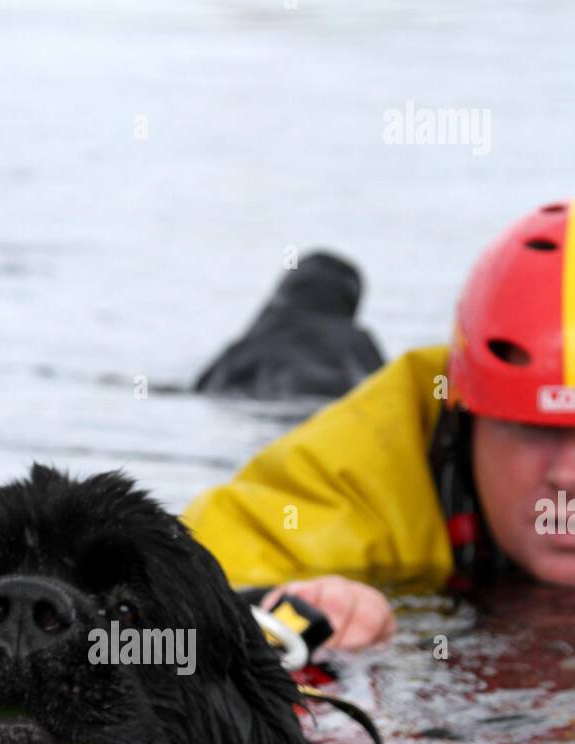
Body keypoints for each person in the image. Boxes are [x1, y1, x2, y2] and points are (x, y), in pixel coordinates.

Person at [184, 201, 575, 651]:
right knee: (298, 363)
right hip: (280, 384)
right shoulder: (350, 482)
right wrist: (299, 609)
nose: (564, 475)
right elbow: (160, 603)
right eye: (532, 428)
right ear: (463, 407)